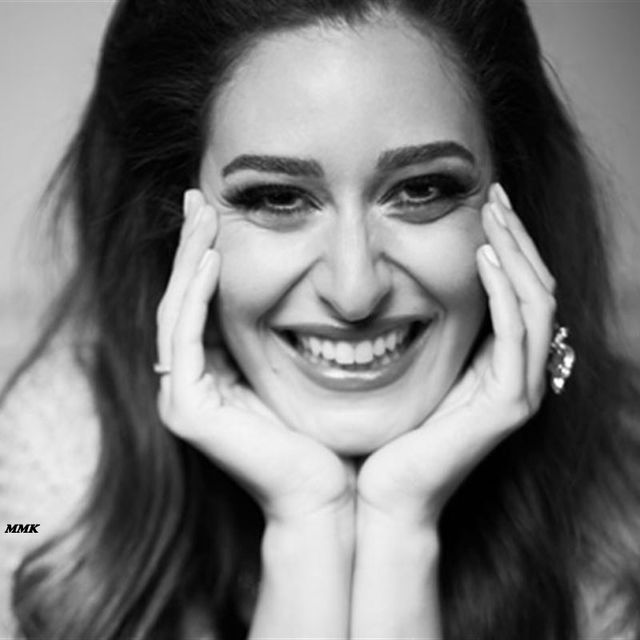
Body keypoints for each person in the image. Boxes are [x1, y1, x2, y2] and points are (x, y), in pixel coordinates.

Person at [1, 0, 639, 638]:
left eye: (422, 190)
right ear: (171, 220)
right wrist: (307, 520)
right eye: (277, 198)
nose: (355, 292)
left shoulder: (623, 504)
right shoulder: (60, 467)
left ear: (514, 198)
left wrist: (400, 526)